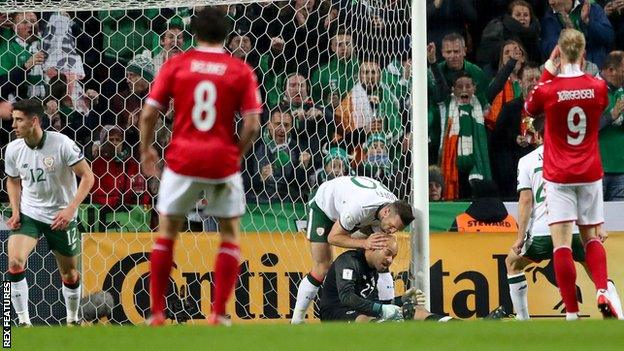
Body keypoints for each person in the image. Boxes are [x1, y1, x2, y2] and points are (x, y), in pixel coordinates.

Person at [139, 7, 262, 326]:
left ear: (193, 33)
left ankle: (156, 313)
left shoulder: (176, 64)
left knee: (167, 233)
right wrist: (237, 154)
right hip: (221, 161)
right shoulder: (239, 70)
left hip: (181, 159)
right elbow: (252, 125)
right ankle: (219, 313)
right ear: (227, 36)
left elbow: (150, 114)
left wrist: (147, 149)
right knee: (229, 234)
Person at [524, 29, 616, 319]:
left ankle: (572, 314)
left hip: (559, 174)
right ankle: (602, 289)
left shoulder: (549, 89)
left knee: (561, 243)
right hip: (589, 172)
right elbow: (601, 107)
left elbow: (529, 107)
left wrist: (550, 70)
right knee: (591, 238)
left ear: (559, 52)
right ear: (585, 52)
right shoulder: (598, 87)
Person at [505, 117, 624, 320]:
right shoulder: (574, 155)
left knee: (513, 263)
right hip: (578, 228)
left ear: (538, 136)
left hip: (543, 230)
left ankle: (523, 318)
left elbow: (526, 201)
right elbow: (590, 191)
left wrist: (520, 237)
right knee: (597, 273)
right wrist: (598, 226)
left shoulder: (527, 161)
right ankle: (615, 312)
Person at [4, 98, 95, 326]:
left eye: (18, 120)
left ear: (34, 121)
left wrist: (70, 209)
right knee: (15, 261)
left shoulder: (62, 143)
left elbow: (88, 176)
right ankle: (24, 324)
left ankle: (73, 320)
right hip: (30, 214)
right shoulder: (13, 149)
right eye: (13, 119)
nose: (13, 125)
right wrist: (15, 211)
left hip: (61, 217)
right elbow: (13, 181)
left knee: (70, 275)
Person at [290, 175, 414, 324]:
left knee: (380, 253)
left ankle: (389, 311)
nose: (392, 231)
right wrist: (364, 243)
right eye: (393, 226)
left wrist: (371, 242)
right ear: (386, 212)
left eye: (397, 229)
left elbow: (378, 236)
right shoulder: (359, 207)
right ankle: (296, 320)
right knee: (322, 268)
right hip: (324, 208)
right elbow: (333, 238)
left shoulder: (391, 207)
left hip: (357, 212)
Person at [319, 235, 450, 322]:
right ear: (372, 248)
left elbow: (373, 301)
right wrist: (381, 310)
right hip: (335, 312)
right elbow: (346, 297)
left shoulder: (373, 270)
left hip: (361, 310)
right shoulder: (348, 261)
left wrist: (401, 300)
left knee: (415, 310)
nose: (390, 260)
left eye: (393, 256)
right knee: (363, 319)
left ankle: (451, 324)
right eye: (387, 253)